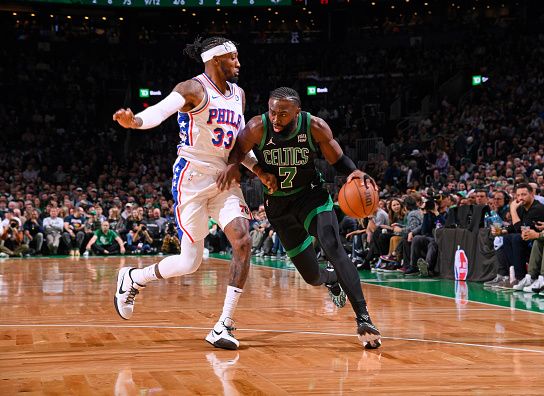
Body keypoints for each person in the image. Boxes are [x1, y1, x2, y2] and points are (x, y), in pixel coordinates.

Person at [112, 36, 260, 350]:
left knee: (243, 241)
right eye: (233, 58)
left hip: (224, 176)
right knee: (189, 262)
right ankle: (135, 278)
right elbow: (160, 111)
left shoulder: (239, 95)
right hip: (192, 177)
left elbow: (239, 145)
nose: (239, 63)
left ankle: (225, 324)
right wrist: (135, 121)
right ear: (217, 60)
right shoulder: (192, 88)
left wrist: (260, 170)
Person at [217, 87, 381, 349]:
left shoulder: (314, 126)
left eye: (282, 113)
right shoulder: (257, 127)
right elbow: (236, 152)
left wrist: (354, 171)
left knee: (332, 244)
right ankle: (331, 279)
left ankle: (364, 318)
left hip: (311, 197)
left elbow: (337, 159)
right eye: (272, 111)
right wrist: (250, 170)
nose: (275, 118)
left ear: (297, 111)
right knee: (311, 276)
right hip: (279, 207)